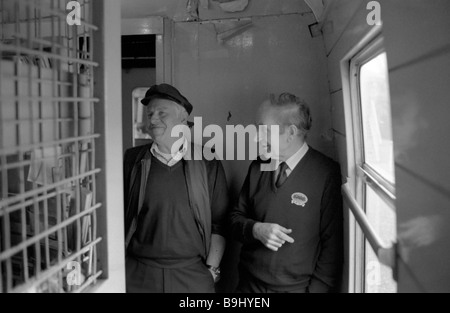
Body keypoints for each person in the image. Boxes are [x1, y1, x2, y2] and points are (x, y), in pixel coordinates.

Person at [230, 93, 343, 293]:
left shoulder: (327, 174)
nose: (257, 137)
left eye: (263, 130)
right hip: (248, 287)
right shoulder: (259, 166)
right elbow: (234, 220)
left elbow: (332, 249)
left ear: (290, 133)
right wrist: (256, 229)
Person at [123, 83, 229, 293]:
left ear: (182, 120)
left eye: (162, 113)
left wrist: (211, 270)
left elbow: (220, 223)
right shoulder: (132, 160)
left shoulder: (207, 161)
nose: (152, 119)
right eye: (150, 113)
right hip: (139, 274)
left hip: (192, 275)